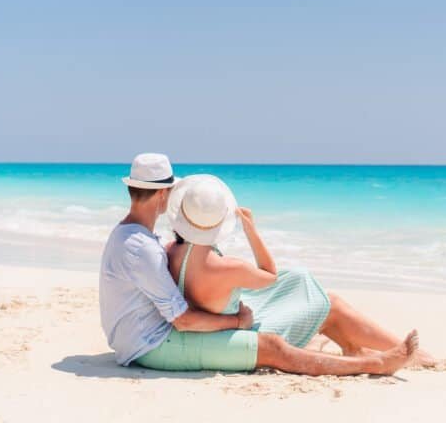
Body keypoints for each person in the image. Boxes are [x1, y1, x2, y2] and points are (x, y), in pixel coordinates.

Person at [99, 153, 418, 376]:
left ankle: (375, 352)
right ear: (161, 195)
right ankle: (375, 365)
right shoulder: (142, 247)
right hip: (150, 345)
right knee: (273, 348)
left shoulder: (139, 238)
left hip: (143, 337)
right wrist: (236, 322)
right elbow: (182, 320)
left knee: (300, 314)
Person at [165, 174, 438, 364]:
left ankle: (352, 347)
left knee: (300, 281)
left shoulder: (169, 251)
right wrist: (251, 230)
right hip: (240, 334)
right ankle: (417, 356)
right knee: (330, 304)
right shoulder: (227, 267)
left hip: (217, 320)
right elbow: (269, 274)